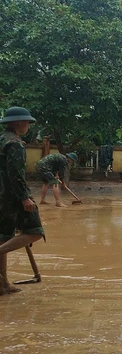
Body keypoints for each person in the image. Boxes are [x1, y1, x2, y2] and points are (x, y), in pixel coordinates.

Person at [0, 107, 45, 296]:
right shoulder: (15, 144)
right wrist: (25, 197)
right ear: (18, 122)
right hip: (12, 196)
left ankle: (2, 284)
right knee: (35, 232)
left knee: (3, 235)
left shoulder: (3, 139)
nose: (28, 125)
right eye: (27, 122)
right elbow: (16, 174)